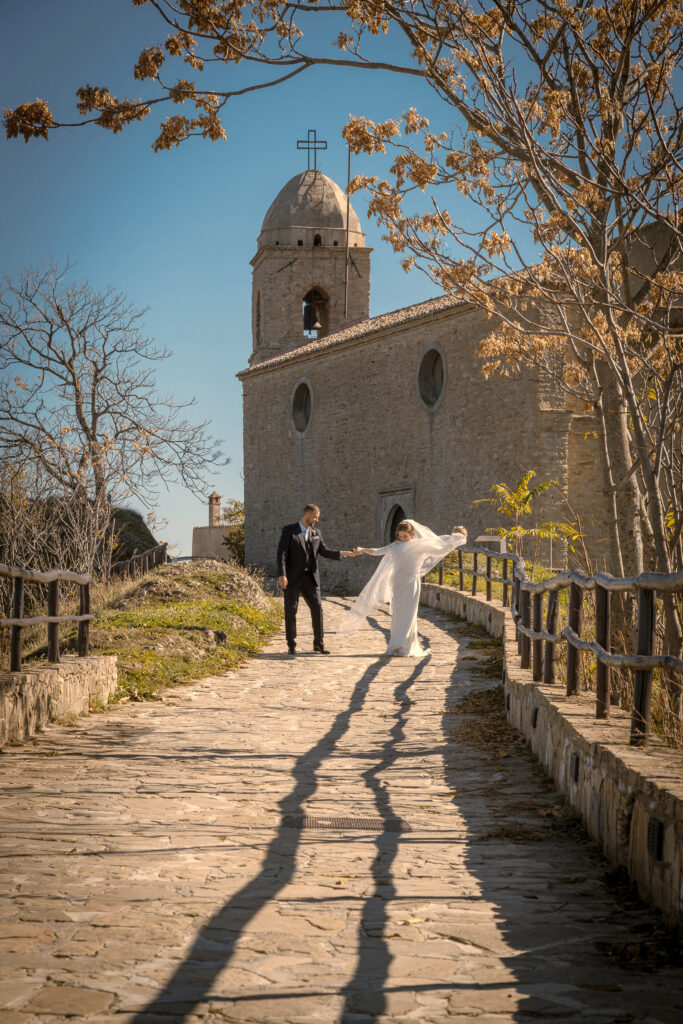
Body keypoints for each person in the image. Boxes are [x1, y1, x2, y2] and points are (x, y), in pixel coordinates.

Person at [339, 519, 468, 657]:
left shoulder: (419, 546)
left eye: (405, 536)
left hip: (411, 584)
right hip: (397, 584)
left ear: (412, 534)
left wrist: (456, 538)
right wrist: (363, 550)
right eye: (400, 536)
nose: (402, 539)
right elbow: (378, 551)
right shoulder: (395, 546)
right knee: (398, 614)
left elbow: (440, 549)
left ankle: (405, 645)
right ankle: (396, 645)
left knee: (409, 614)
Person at [277, 503, 358, 655]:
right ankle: (291, 644)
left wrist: (345, 553)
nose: (316, 520)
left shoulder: (317, 533)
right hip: (292, 578)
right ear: (307, 515)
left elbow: (325, 551)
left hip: (311, 578)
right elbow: (281, 554)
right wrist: (282, 574)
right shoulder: (289, 530)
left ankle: (319, 644)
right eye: (315, 517)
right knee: (291, 610)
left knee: (317, 609)